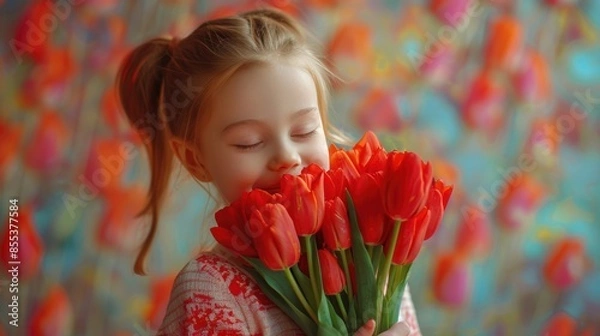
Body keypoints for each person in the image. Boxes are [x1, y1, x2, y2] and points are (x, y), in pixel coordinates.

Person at [117, 7, 421, 336]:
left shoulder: (377, 259)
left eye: (304, 131)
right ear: (195, 160)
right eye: (249, 143)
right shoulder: (210, 291)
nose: (287, 157)